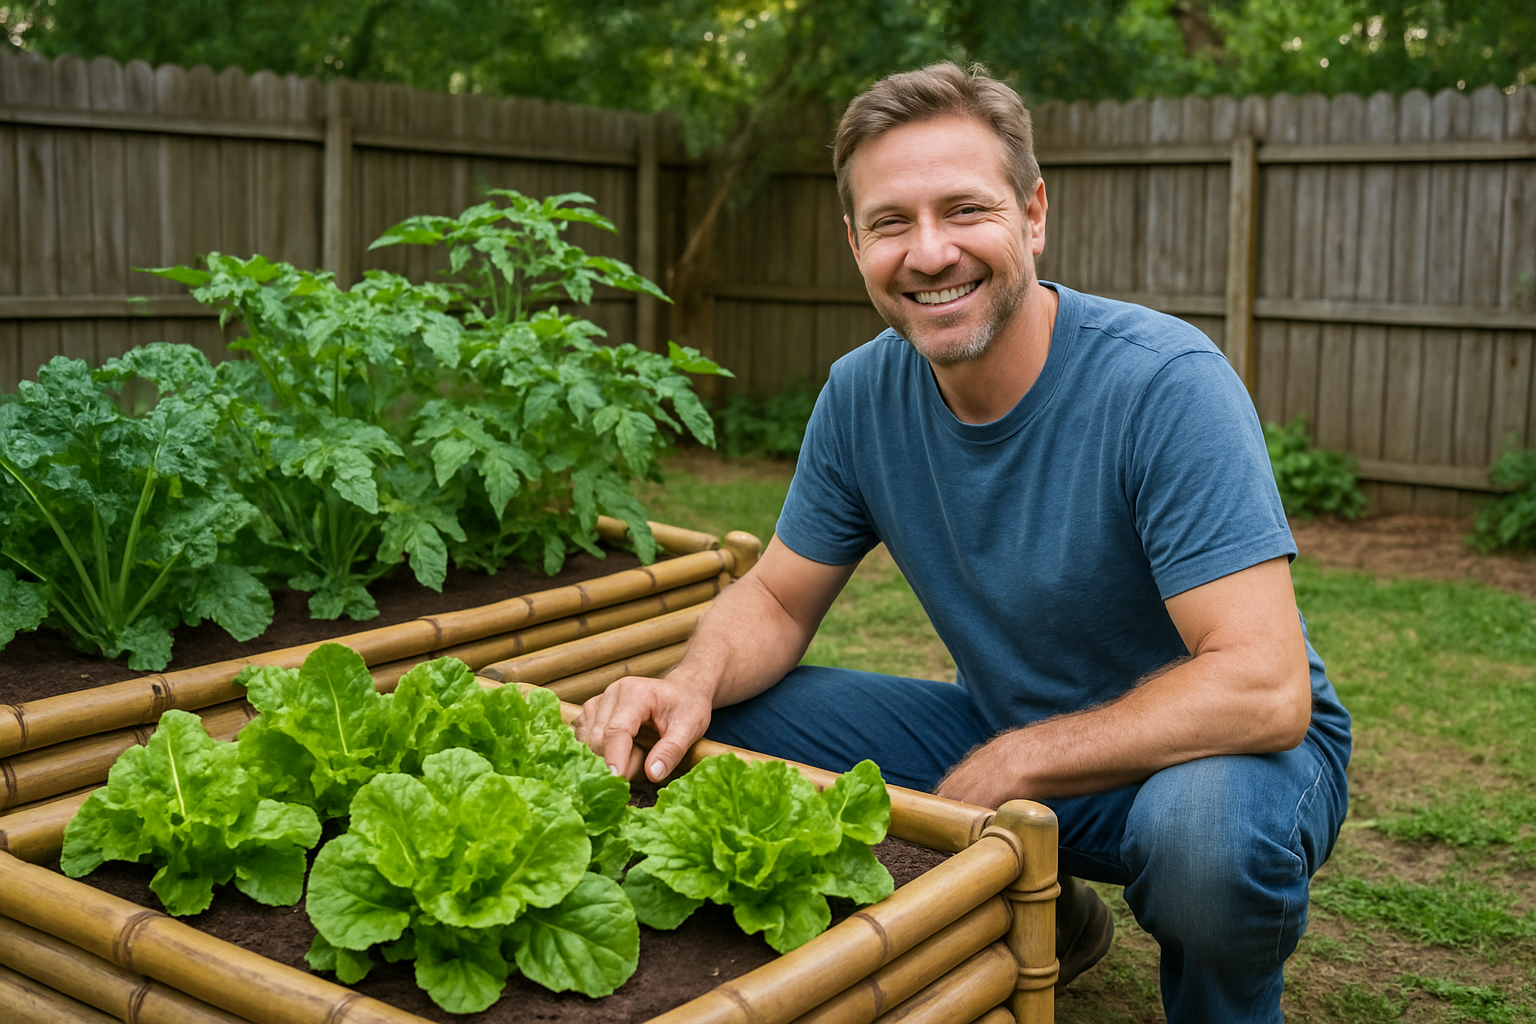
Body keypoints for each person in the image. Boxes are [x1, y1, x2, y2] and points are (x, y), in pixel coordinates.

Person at [575, 61, 1351, 1024]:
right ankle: (1047, 913)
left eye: (964, 210)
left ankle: (1224, 1008)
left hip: (1228, 761)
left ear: (1032, 215)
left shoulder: (1165, 385)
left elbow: (1262, 686)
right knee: (713, 731)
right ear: (856, 244)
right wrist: (685, 685)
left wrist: (1020, 763)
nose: (930, 252)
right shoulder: (862, 395)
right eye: (892, 222)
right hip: (1003, 728)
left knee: (1205, 842)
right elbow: (775, 600)